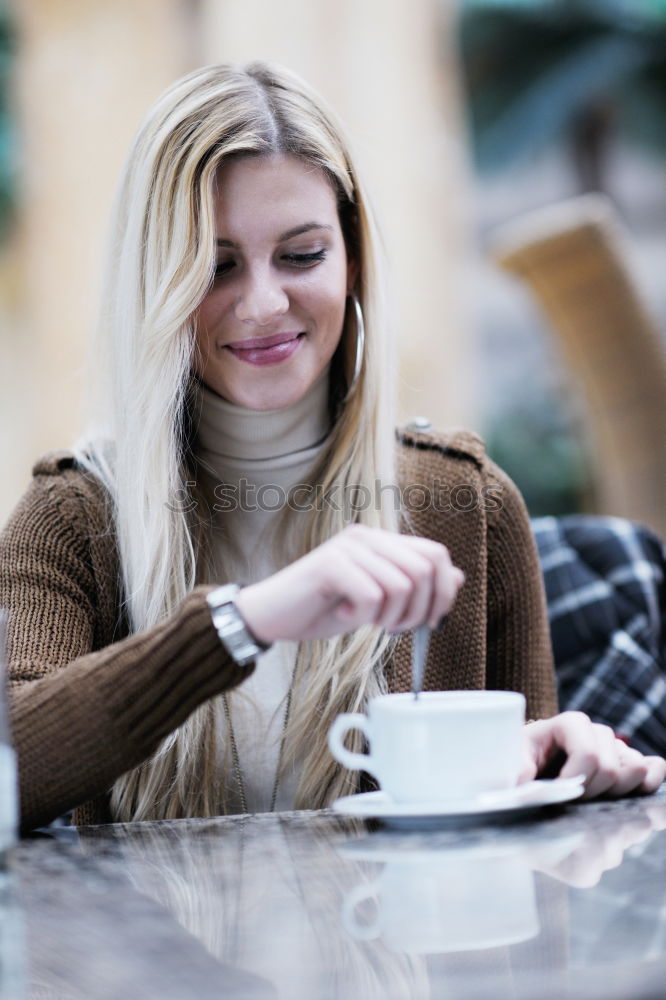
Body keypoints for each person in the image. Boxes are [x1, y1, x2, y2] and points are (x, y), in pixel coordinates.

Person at [1, 62, 663, 832]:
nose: (262, 303)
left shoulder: (464, 504)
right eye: (214, 267)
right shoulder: (74, 517)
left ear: (351, 258)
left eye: (301, 254)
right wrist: (250, 619)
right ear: (154, 282)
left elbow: (525, 870)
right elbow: (14, 762)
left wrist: (553, 762)